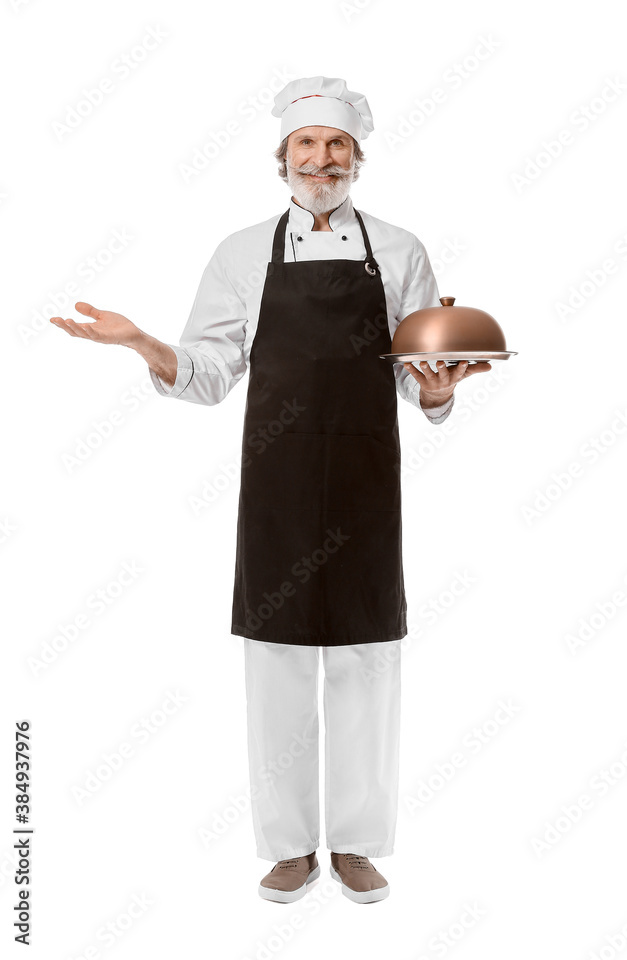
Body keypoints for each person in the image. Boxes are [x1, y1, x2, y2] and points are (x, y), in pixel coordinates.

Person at [50, 76, 491, 905]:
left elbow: (422, 380)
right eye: (306, 146)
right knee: (278, 665)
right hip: (277, 485)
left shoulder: (399, 250)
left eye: (336, 147)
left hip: (366, 484)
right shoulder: (241, 252)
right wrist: (143, 341)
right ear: (281, 160)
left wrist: (440, 389)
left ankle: (356, 844)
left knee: (366, 659)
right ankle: (289, 848)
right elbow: (210, 371)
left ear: (357, 159)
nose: (321, 160)